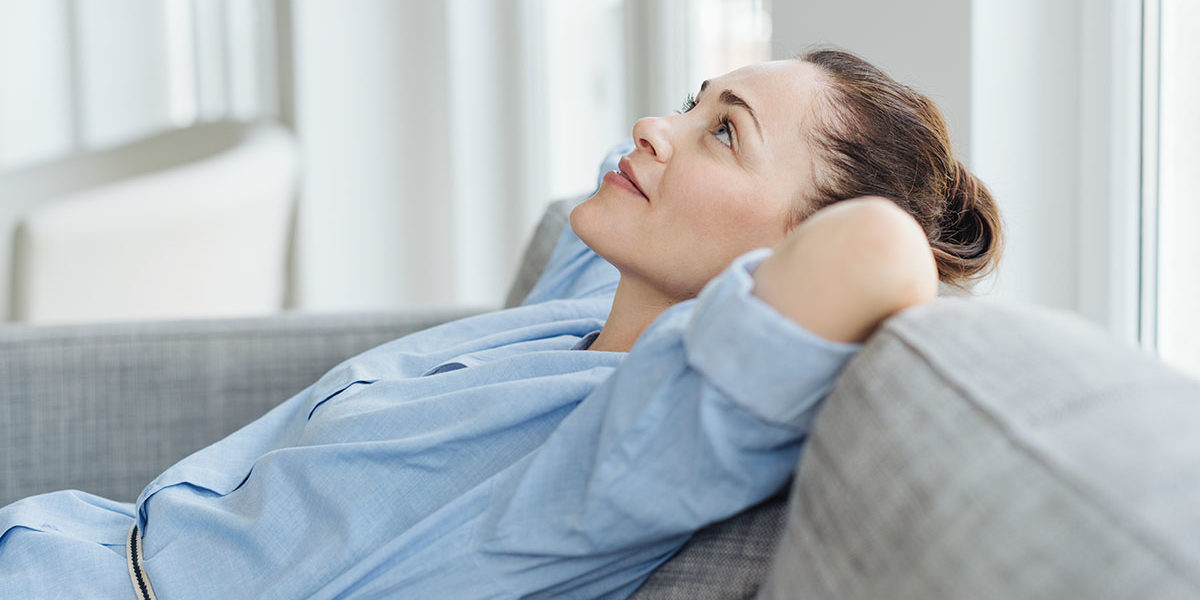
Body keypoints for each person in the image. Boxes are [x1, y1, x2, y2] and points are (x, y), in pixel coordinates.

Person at [0, 48, 1002, 598]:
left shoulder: (631, 449)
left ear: (779, 256)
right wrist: (723, 135)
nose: (659, 130)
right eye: (692, 101)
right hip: (60, 544)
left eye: (723, 132)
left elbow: (875, 249)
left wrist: (861, 214)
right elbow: (631, 148)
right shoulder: (579, 313)